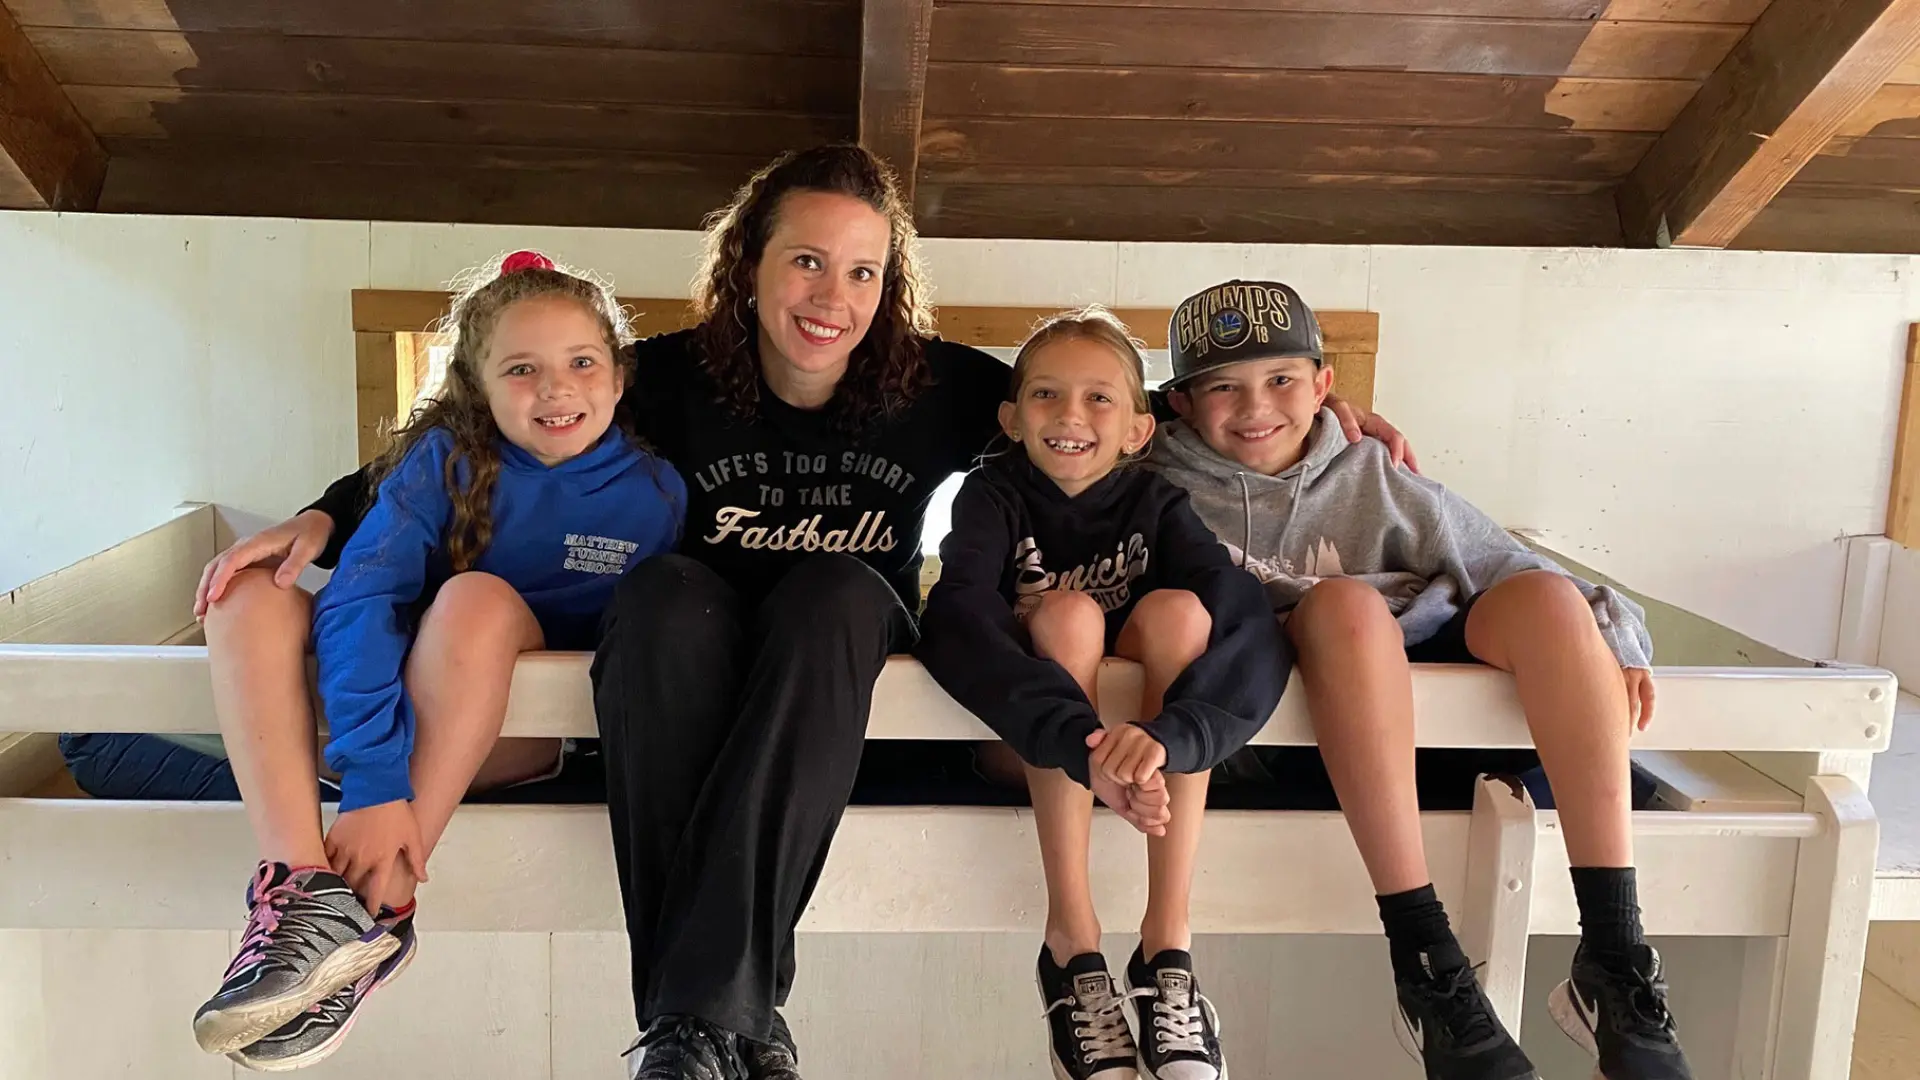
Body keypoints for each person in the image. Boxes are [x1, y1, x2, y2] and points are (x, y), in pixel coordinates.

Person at [192, 145, 1410, 1080]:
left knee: (835, 590)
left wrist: (1302, 425)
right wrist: (323, 515)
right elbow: (493, 430)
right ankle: (732, 1032)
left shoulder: (947, 389)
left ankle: (691, 1024)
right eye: (807, 262)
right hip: (687, 642)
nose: (835, 295)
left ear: (892, 286)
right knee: (664, 595)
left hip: (837, 646)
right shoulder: (659, 375)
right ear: (752, 266)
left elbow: (1094, 412)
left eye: (865, 270)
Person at [1148, 280, 1689, 1080]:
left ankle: (1615, 950)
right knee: (1344, 608)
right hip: (1281, 736)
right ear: (1181, 405)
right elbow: (1063, 448)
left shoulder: (1376, 476)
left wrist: (1620, 639)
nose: (1255, 405)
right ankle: (1427, 961)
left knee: (1545, 598)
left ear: (1325, 386)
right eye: (1223, 386)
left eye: (1282, 380)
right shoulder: (1152, 483)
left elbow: (1517, 564)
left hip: (1425, 724)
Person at [189, 251, 685, 1072]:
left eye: (581, 362)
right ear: (478, 386)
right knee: (247, 587)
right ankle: (307, 891)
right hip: (378, 741)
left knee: (475, 600)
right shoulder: (445, 465)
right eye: (521, 369)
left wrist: (386, 789)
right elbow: (357, 601)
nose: (557, 389)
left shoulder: (661, 493)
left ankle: (379, 904)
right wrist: (375, 777)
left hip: (515, 737)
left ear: (620, 376)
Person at [917, 310, 1285, 1080]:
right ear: (1011, 419)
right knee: (1070, 614)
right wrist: (1079, 747)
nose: (1071, 417)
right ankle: (1073, 947)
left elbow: (1242, 612)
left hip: (1141, 766)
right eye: (1046, 395)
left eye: (1099, 399)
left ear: (1139, 430)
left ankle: (1166, 947)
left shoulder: (1157, 503)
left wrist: (1172, 737)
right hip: (1027, 744)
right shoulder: (989, 496)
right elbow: (955, 619)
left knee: (1184, 610)